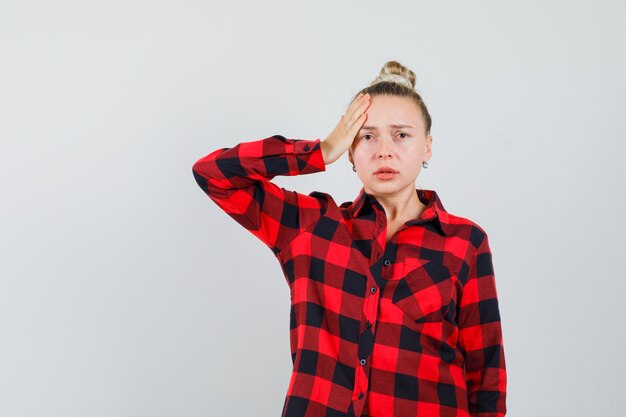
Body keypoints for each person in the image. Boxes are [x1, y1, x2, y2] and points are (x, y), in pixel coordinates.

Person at [192, 60, 507, 417]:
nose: (384, 150)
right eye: (366, 135)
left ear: (427, 147)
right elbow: (212, 174)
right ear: (351, 152)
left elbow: (486, 378)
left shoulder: (465, 243)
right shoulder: (311, 228)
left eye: (401, 134)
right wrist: (321, 151)